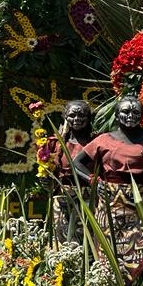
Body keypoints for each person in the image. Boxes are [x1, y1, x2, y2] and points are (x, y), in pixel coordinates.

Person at [73, 95, 143, 283]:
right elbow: (77, 163)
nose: (130, 116)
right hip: (110, 203)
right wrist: (92, 180)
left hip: (142, 204)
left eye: (135, 112)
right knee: (109, 248)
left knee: (142, 248)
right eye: (125, 111)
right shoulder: (104, 139)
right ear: (117, 114)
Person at [43, 99, 94, 242]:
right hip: (63, 198)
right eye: (72, 115)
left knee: (88, 241)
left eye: (81, 115)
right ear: (65, 117)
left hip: (89, 198)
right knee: (63, 240)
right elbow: (50, 172)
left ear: (89, 118)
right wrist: (47, 181)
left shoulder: (96, 143)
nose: (76, 119)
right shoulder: (55, 144)